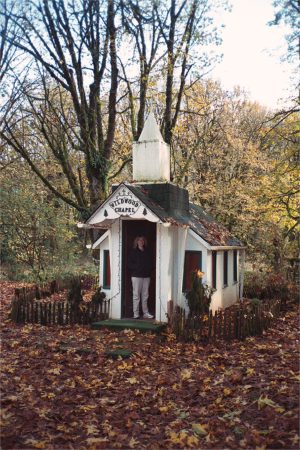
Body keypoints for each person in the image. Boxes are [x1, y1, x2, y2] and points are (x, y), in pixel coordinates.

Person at [128, 235, 154, 319]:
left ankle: (145, 313)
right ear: (136, 242)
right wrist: (137, 268)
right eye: (139, 240)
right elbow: (129, 264)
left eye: (142, 240)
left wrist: (149, 269)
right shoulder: (133, 252)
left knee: (145, 295)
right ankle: (136, 314)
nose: (141, 242)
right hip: (136, 276)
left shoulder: (147, 251)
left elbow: (151, 262)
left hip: (146, 276)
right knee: (136, 295)